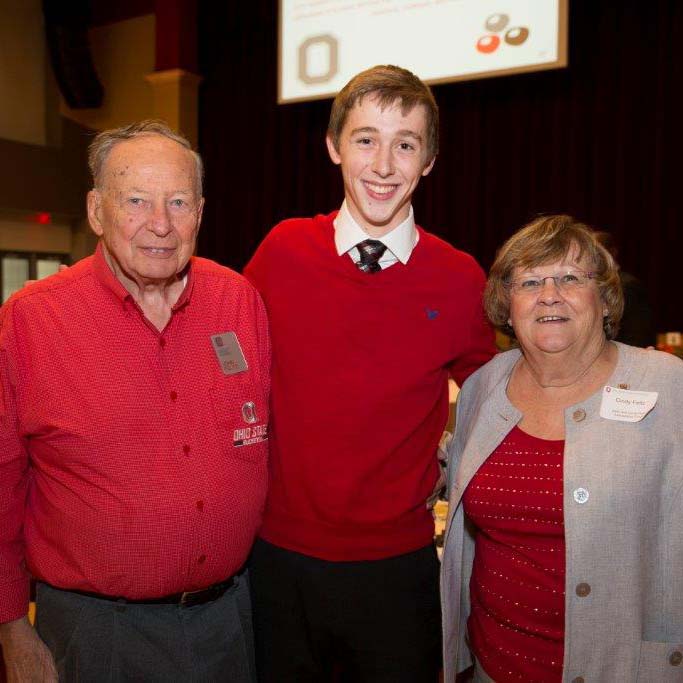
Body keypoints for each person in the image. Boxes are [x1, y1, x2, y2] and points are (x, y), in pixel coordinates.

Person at [244, 65, 495, 682]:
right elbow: (226, 366)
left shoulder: (460, 277)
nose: (383, 164)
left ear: (429, 160)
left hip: (398, 568)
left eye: (405, 143)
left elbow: (499, 397)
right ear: (333, 147)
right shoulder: (281, 251)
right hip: (276, 559)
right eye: (365, 139)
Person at [0, 121, 270, 682]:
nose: (161, 225)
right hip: (96, 631)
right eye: (137, 201)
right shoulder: (30, 321)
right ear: (97, 211)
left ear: (200, 211)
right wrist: (10, 628)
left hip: (231, 617)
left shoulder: (238, 301)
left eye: (178, 202)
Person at [441, 214, 683, 682]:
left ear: (606, 299)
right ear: (506, 306)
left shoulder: (669, 387)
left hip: (624, 668)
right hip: (494, 665)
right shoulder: (481, 388)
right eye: (530, 281)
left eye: (571, 278)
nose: (550, 294)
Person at [594, 231, 656, 347]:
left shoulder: (628, 285)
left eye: (597, 254)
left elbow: (638, 333)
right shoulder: (587, 284)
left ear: (611, 253)